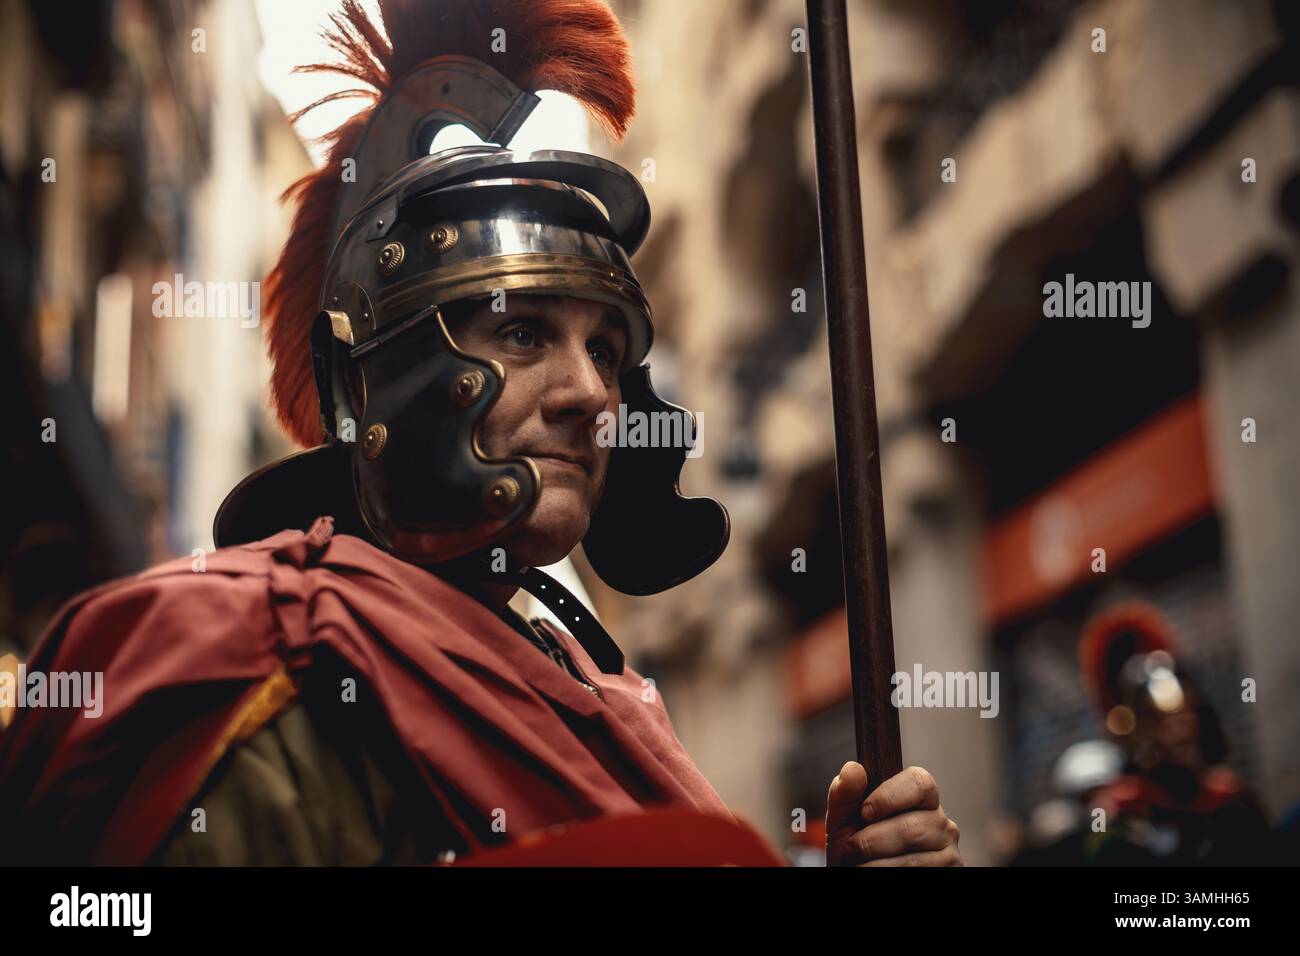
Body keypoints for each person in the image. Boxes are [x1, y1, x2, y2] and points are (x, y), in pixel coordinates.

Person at [0, 0, 960, 867]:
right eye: (522, 333)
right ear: (377, 379)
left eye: (608, 350)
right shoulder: (267, 663)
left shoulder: (596, 686)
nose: (590, 392)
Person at [1073, 601, 1275, 865]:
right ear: (1138, 730)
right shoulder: (1119, 821)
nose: (1182, 728)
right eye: (1160, 719)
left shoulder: (1234, 803)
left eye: (1186, 713)